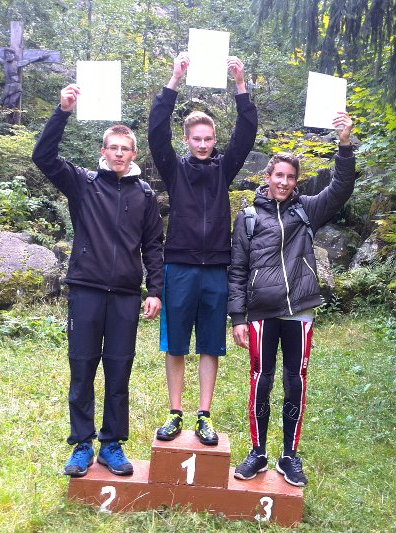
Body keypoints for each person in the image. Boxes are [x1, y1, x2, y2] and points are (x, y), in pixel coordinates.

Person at [32, 84, 164, 477]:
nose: (119, 153)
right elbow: (43, 156)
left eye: (126, 148)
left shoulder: (145, 195)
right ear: (103, 151)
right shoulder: (83, 183)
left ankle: (111, 445)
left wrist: (155, 290)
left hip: (125, 296)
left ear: (134, 154)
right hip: (86, 291)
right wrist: (63, 111)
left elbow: (153, 246)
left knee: (119, 371)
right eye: (113, 147)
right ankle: (82, 445)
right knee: (83, 368)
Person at [228, 112, 355, 485]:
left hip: (299, 312)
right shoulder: (248, 217)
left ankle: (289, 456)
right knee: (260, 381)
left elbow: (341, 188)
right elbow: (237, 270)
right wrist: (238, 318)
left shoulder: (307, 210)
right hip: (260, 313)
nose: (284, 182)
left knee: (295, 382)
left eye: (290, 177)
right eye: (278, 175)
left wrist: (344, 144)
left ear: (296, 181)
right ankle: (258, 452)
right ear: (267, 177)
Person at [148, 53, 257, 445]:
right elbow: (155, 131)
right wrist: (174, 80)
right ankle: (175, 413)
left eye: (209, 139)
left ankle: (203, 415)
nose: (203, 145)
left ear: (214, 141)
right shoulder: (174, 169)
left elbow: (247, 133)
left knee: (211, 344)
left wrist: (240, 84)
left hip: (215, 269)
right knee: (176, 343)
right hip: (179, 266)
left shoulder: (223, 169)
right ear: (187, 140)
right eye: (197, 139)